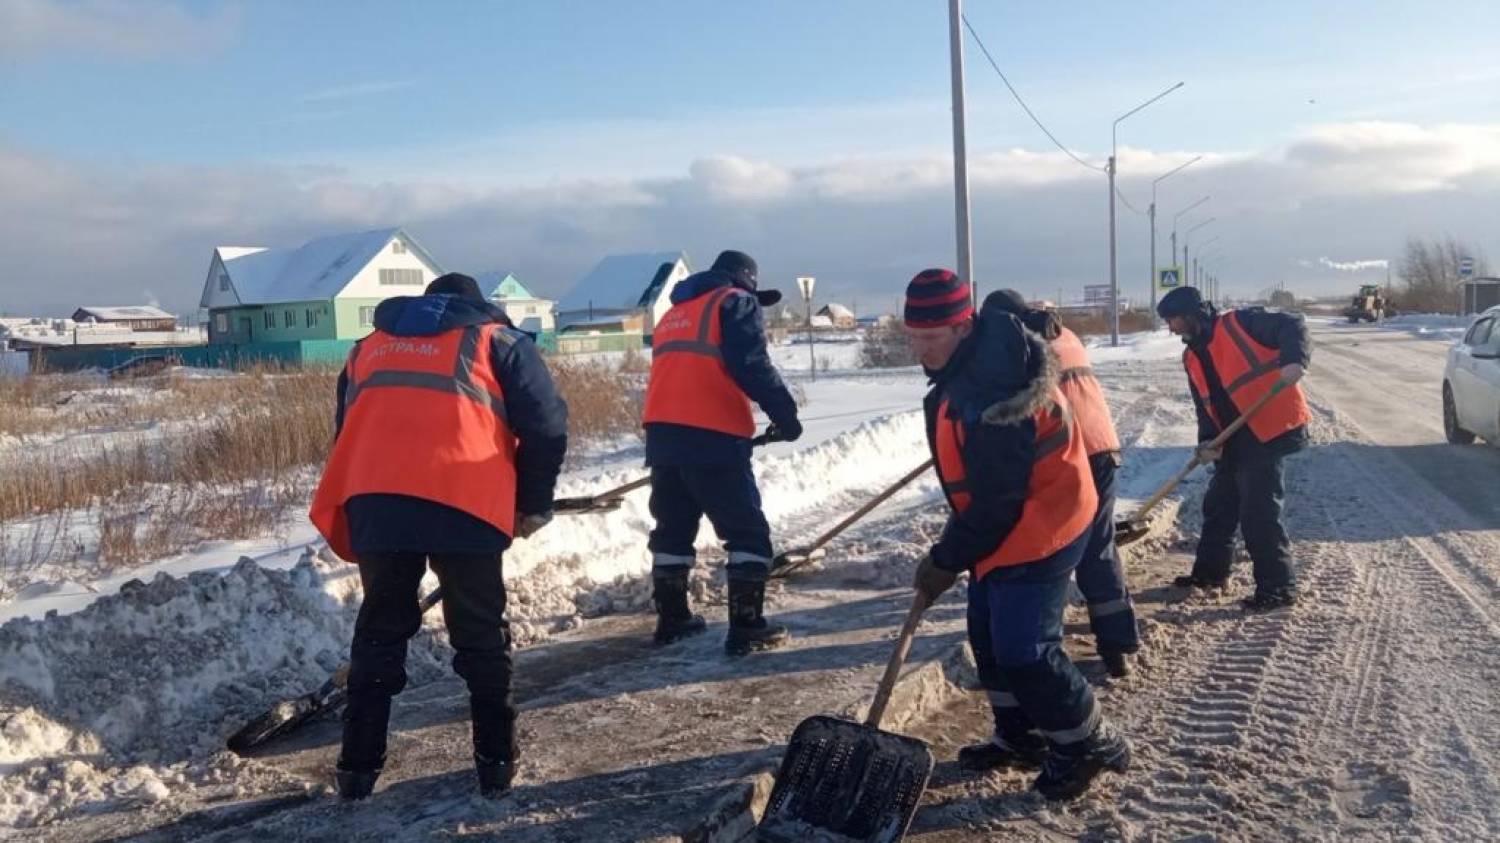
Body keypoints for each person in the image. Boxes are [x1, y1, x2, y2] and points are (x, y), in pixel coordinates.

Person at [309, 272, 568, 801]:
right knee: (479, 634)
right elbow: (545, 425)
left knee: (380, 632)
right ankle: (496, 763)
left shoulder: (368, 348)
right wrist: (533, 503)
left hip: (377, 502)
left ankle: (357, 771)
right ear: (476, 306)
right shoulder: (498, 341)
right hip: (463, 501)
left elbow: (348, 427)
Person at [906, 274, 1130, 801]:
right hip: (1006, 521)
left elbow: (998, 501)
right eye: (913, 335)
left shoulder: (996, 387)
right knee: (987, 639)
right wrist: (958, 544)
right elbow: (986, 492)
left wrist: (946, 559)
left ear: (964, 327)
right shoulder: (972, 364)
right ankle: (1022, 735)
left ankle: (1087, 742)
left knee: (1025, 649)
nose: (921, 348)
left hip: (1045, 520)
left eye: (932, 336)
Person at [641, 250, 802, 656]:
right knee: (746, 532)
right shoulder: (734, 301)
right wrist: (785, 415)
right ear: (744, 281)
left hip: (663, 434)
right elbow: (751, 363)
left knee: (672, 531)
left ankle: (673, 619)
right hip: (712, 435)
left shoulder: (675, 312)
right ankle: (747, 628)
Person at [987, 290, 1140, 677]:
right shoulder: (1062, 332)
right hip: (1101, 446)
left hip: (1067, 453)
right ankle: (1117, 646)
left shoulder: (1017, 346)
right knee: (1099, 548)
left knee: (1046, 553)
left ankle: (1040, 652)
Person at [1155, 285, 1310, 611]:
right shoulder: (1191, 355)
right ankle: (1210, 575)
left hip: (1266, 428)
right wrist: (1207, 441)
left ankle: (1279, 588)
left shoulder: (1240, 323)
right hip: (1231, 436)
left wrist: (1295, 360)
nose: (1170, 328)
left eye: (1172, 320)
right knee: (1219, 507)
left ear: (1189, 315)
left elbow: (1292, 324)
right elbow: (1204, 403)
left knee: (1259, 513)